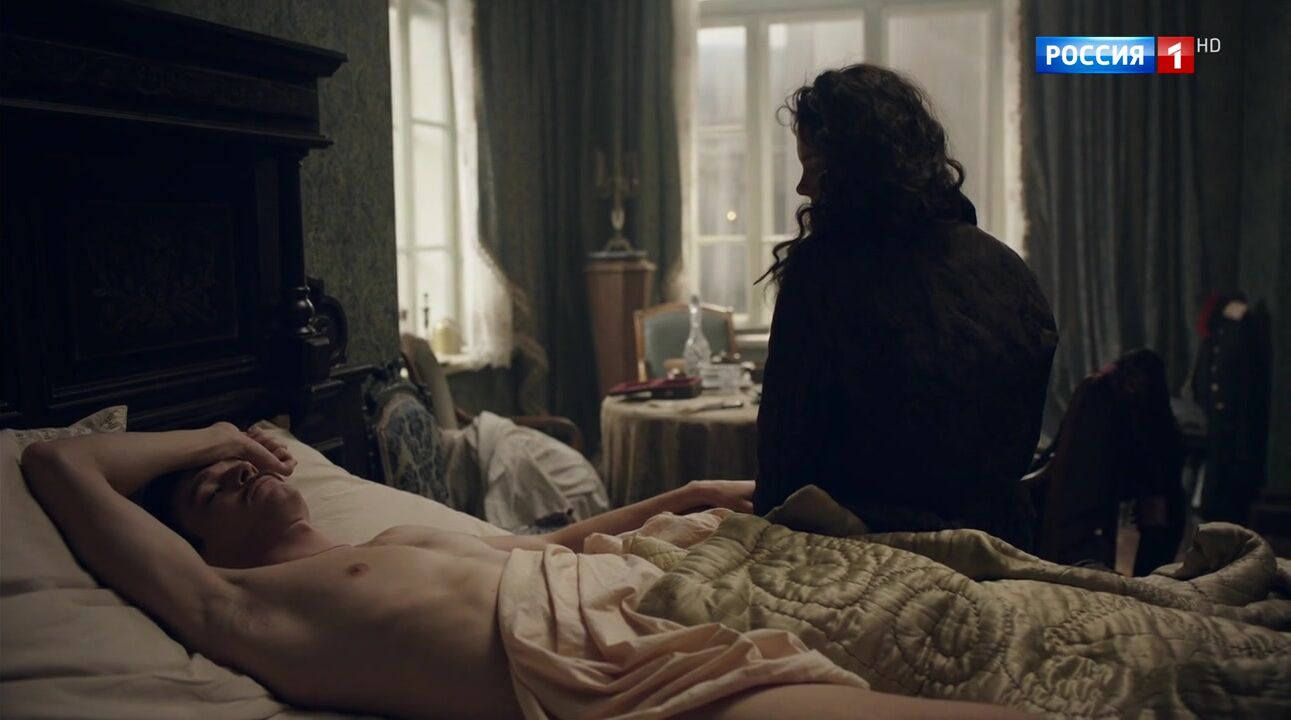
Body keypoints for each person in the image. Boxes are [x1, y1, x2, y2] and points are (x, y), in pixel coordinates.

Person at [22, 423, 1030, 720]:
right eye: (215, 489)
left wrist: (685, 497)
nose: (244, 474)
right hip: (606, 671)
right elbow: (57, 463)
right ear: (196, 545)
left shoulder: (395, 541)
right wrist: (214, 435)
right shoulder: (233, 604)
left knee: (980, 618)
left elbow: (552, 547)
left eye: (250, 464)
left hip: (644, 587)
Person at [754, 64, 1058, 550]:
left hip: (862, 540)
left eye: (812, 164)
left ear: (850, 167)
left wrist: (766, 533)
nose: (802, 187)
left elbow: (784, 452)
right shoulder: (1006, 267)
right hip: (999, 537)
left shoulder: (825, 271)